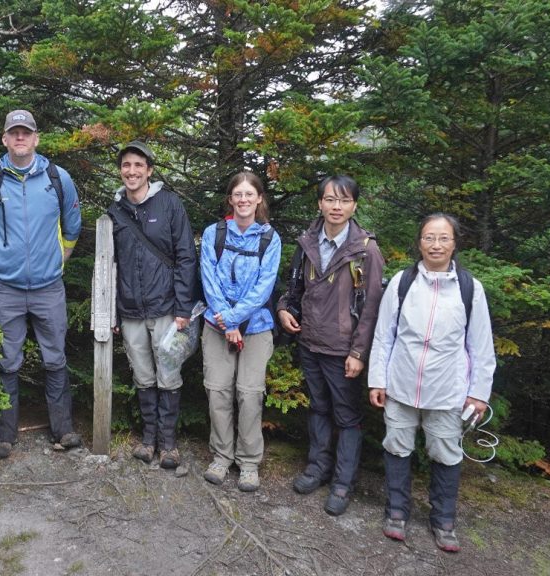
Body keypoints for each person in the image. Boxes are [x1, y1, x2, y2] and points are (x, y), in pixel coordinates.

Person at [368, 213, 496, 553]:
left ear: (454, 243)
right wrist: (377, 379)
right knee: (397, 446)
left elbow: (481, 346)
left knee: (446, 453)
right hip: (401, 384)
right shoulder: (402, 282)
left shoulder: (470, 288)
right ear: (419, 242)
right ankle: (396, 512)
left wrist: (478, 394)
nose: (435, 245)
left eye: (443, 238)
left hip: (448, 390)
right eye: (429, 237)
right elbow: (384, 336)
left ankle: (444, 520)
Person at [0, 109, 83, 459]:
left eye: (26, 132)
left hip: (49, 288)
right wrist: (2, 260)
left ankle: (63, 429)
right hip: (6, 289)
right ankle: (5, 434)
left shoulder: (57, 177)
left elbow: (73, 227)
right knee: (6, 360)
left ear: (36, 138)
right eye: (13, 132)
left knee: (55, 358)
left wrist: (56, 261)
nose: (20, 138)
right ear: (4, 139)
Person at [276, 174, 384, 515]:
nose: (336, 207)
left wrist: (358, 353)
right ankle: (317, 468)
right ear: (319, 203)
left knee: (347, 417)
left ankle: (342, 482)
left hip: (343, 350)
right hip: (310, 342)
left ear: (354, 205)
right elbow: (294, 289)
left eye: (344, 200)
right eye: (330, 199)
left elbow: (372, 308)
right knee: (319, 408)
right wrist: (282, 309)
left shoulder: (365, 250)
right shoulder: (308, 242)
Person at [107, 141, 198, 469]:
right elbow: (110, 265)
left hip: (166, 308)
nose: (131, 171)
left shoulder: (170, 205)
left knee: (168, 376)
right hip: (130, 311)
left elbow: (186, 255)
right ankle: (148, 440)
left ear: (149, 170)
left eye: (138, 165)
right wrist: (114, 311)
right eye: (126, 165)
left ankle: (168, 445)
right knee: (143, 375)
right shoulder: (114, 211)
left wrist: (183, 308)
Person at [200, 172, 281, 492]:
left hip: (257, 328)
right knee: (217, 390)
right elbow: (208, 279)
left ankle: (248, 463)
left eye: (250, 194)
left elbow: (264, 288)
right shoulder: (214, 233)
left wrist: (235, 320)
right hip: (217, 326)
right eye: (238, 194)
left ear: (259, 198)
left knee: (249, 394)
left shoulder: (269, 238)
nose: (244, 200)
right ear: (230, 199)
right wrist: (228, 323)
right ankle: (221, 457)